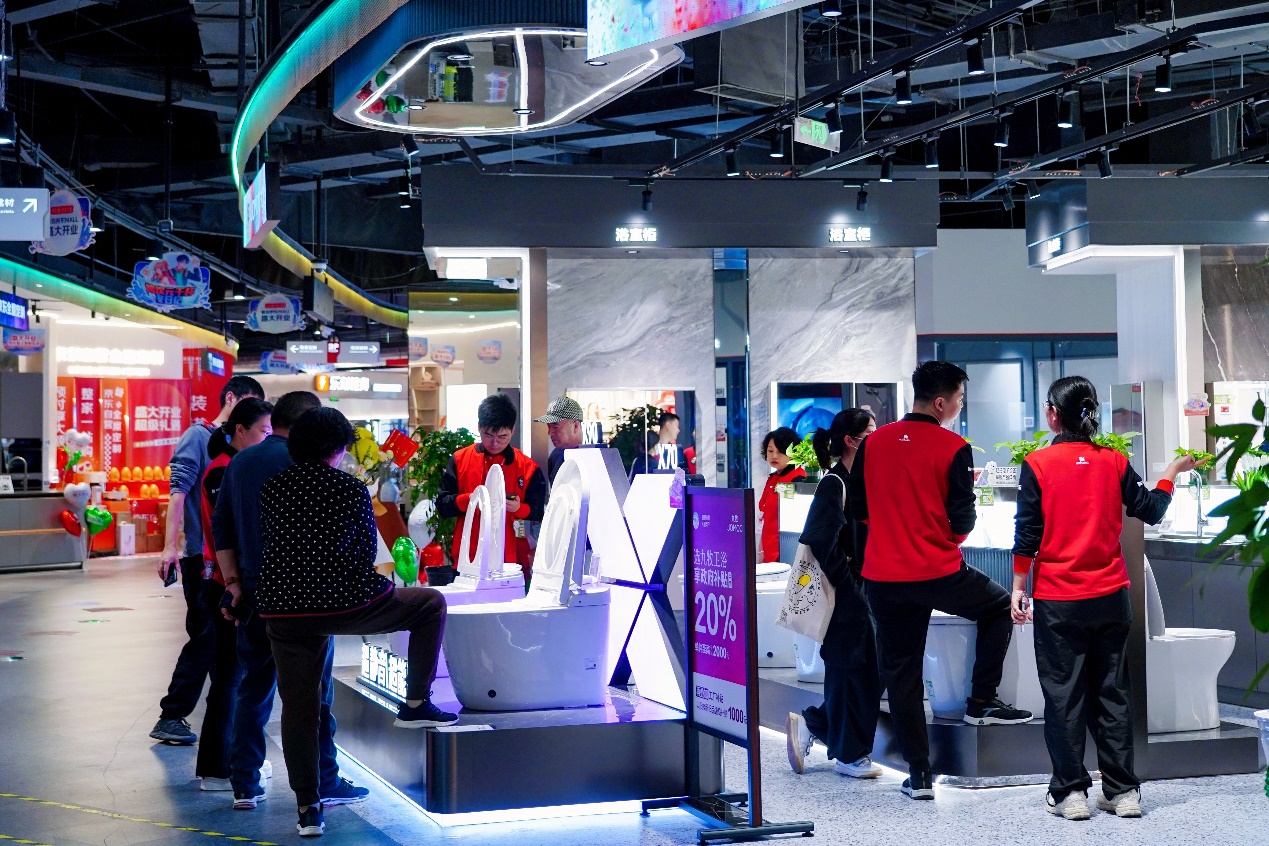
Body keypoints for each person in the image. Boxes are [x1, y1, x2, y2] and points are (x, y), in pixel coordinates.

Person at [258, 407, 453, 838]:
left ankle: (309, 809)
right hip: (341, 603)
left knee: (298, 708)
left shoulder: (272, 488)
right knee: (430, 604)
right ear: (338, 448)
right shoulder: (349, 488)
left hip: (284, 609)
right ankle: (416, 703)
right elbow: (366, 553)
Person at [1011, 376, 1199, 821]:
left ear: (1053, 414)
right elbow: (1151, 510)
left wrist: (1018, 587)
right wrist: (1171, 472)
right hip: (1111, 596)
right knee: (1113, 695)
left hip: (1059, 599)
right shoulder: (1114, 462)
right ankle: (1122, 791)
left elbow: (1027, 534)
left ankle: (1071, 793)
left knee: (1064, 697)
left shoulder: (1038, 464)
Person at [848, 361, 1033, 801]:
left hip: (883, 577)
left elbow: (857, 508)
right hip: (938, 571)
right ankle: (981, 701)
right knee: (998, 606)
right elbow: (964, 517)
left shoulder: (874, 443)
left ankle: (919, 775)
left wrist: (892, 531)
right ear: (939, 402)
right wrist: (944, 539)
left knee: (903, 673)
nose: (959, 407)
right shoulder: (954, 447)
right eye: (959, 400)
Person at [214, 392, 369, 812]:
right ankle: (324, 780)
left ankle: (245, 784)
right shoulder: (309, 467)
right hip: (305, 599)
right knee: (314, 695)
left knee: (254, 688)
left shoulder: (241, 461)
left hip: (252, 593)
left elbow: (222, 525)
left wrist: (233, 582)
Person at [150, 375, 264, 746]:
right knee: (205, 635)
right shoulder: (199, 438)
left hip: (226, 559)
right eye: (247, 403)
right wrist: (170, 547)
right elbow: (177, 494)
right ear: (230, 399)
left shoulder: (241, 448)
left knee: (222, 644)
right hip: (202, 557)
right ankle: (172, 715)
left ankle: (221, 724)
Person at [786, 410, 882, 780]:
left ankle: (816, 725)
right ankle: (849, 755)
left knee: (865, 671)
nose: (876, 437)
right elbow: (820, 537)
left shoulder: (865, 479)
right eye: (870, 432)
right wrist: (848, 582)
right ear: (850, 440)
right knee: (850, 669)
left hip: (865, 587)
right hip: (843, 592)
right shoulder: (835, 483)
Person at [193, 397, 273, 792]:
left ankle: (227, 763)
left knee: (234, 676)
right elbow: (223, 533)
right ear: (240, 430)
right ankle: (219, 767)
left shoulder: (232, 467)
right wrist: (235, 583)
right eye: (263, 431)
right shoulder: (225, 470)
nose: (268, 439)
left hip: (230, 582)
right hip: (227, 585)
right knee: (229, 677)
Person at [437, 393, 546, 581]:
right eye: (489, 435)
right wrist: (469, 500)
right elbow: (442, 505)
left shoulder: (528, 467)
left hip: (511, 561)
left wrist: (519, 508)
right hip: (468, 559)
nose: (495, 442)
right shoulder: (459, 460)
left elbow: (539, 512)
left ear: (513, 430)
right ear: (479, 427)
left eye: (502, 436)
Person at [757, 427, 807, 564]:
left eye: (780, 452)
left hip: (784, 552)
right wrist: (761, 549)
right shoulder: (773, 478)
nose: (774, 456)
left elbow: (789, 519)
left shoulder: (795, 479)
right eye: (770, 451)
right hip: (768, 549)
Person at [534, 396, 585, 485]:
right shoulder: (555, 456)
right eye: (549, 427)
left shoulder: (593, 457)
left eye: (556, 427)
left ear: (575, 426)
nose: (550, 432)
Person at [629, 411, 687, 477]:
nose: (678, 430)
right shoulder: (648, 449)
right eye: (676, 426)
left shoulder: (675, 451)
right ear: (668, 425)